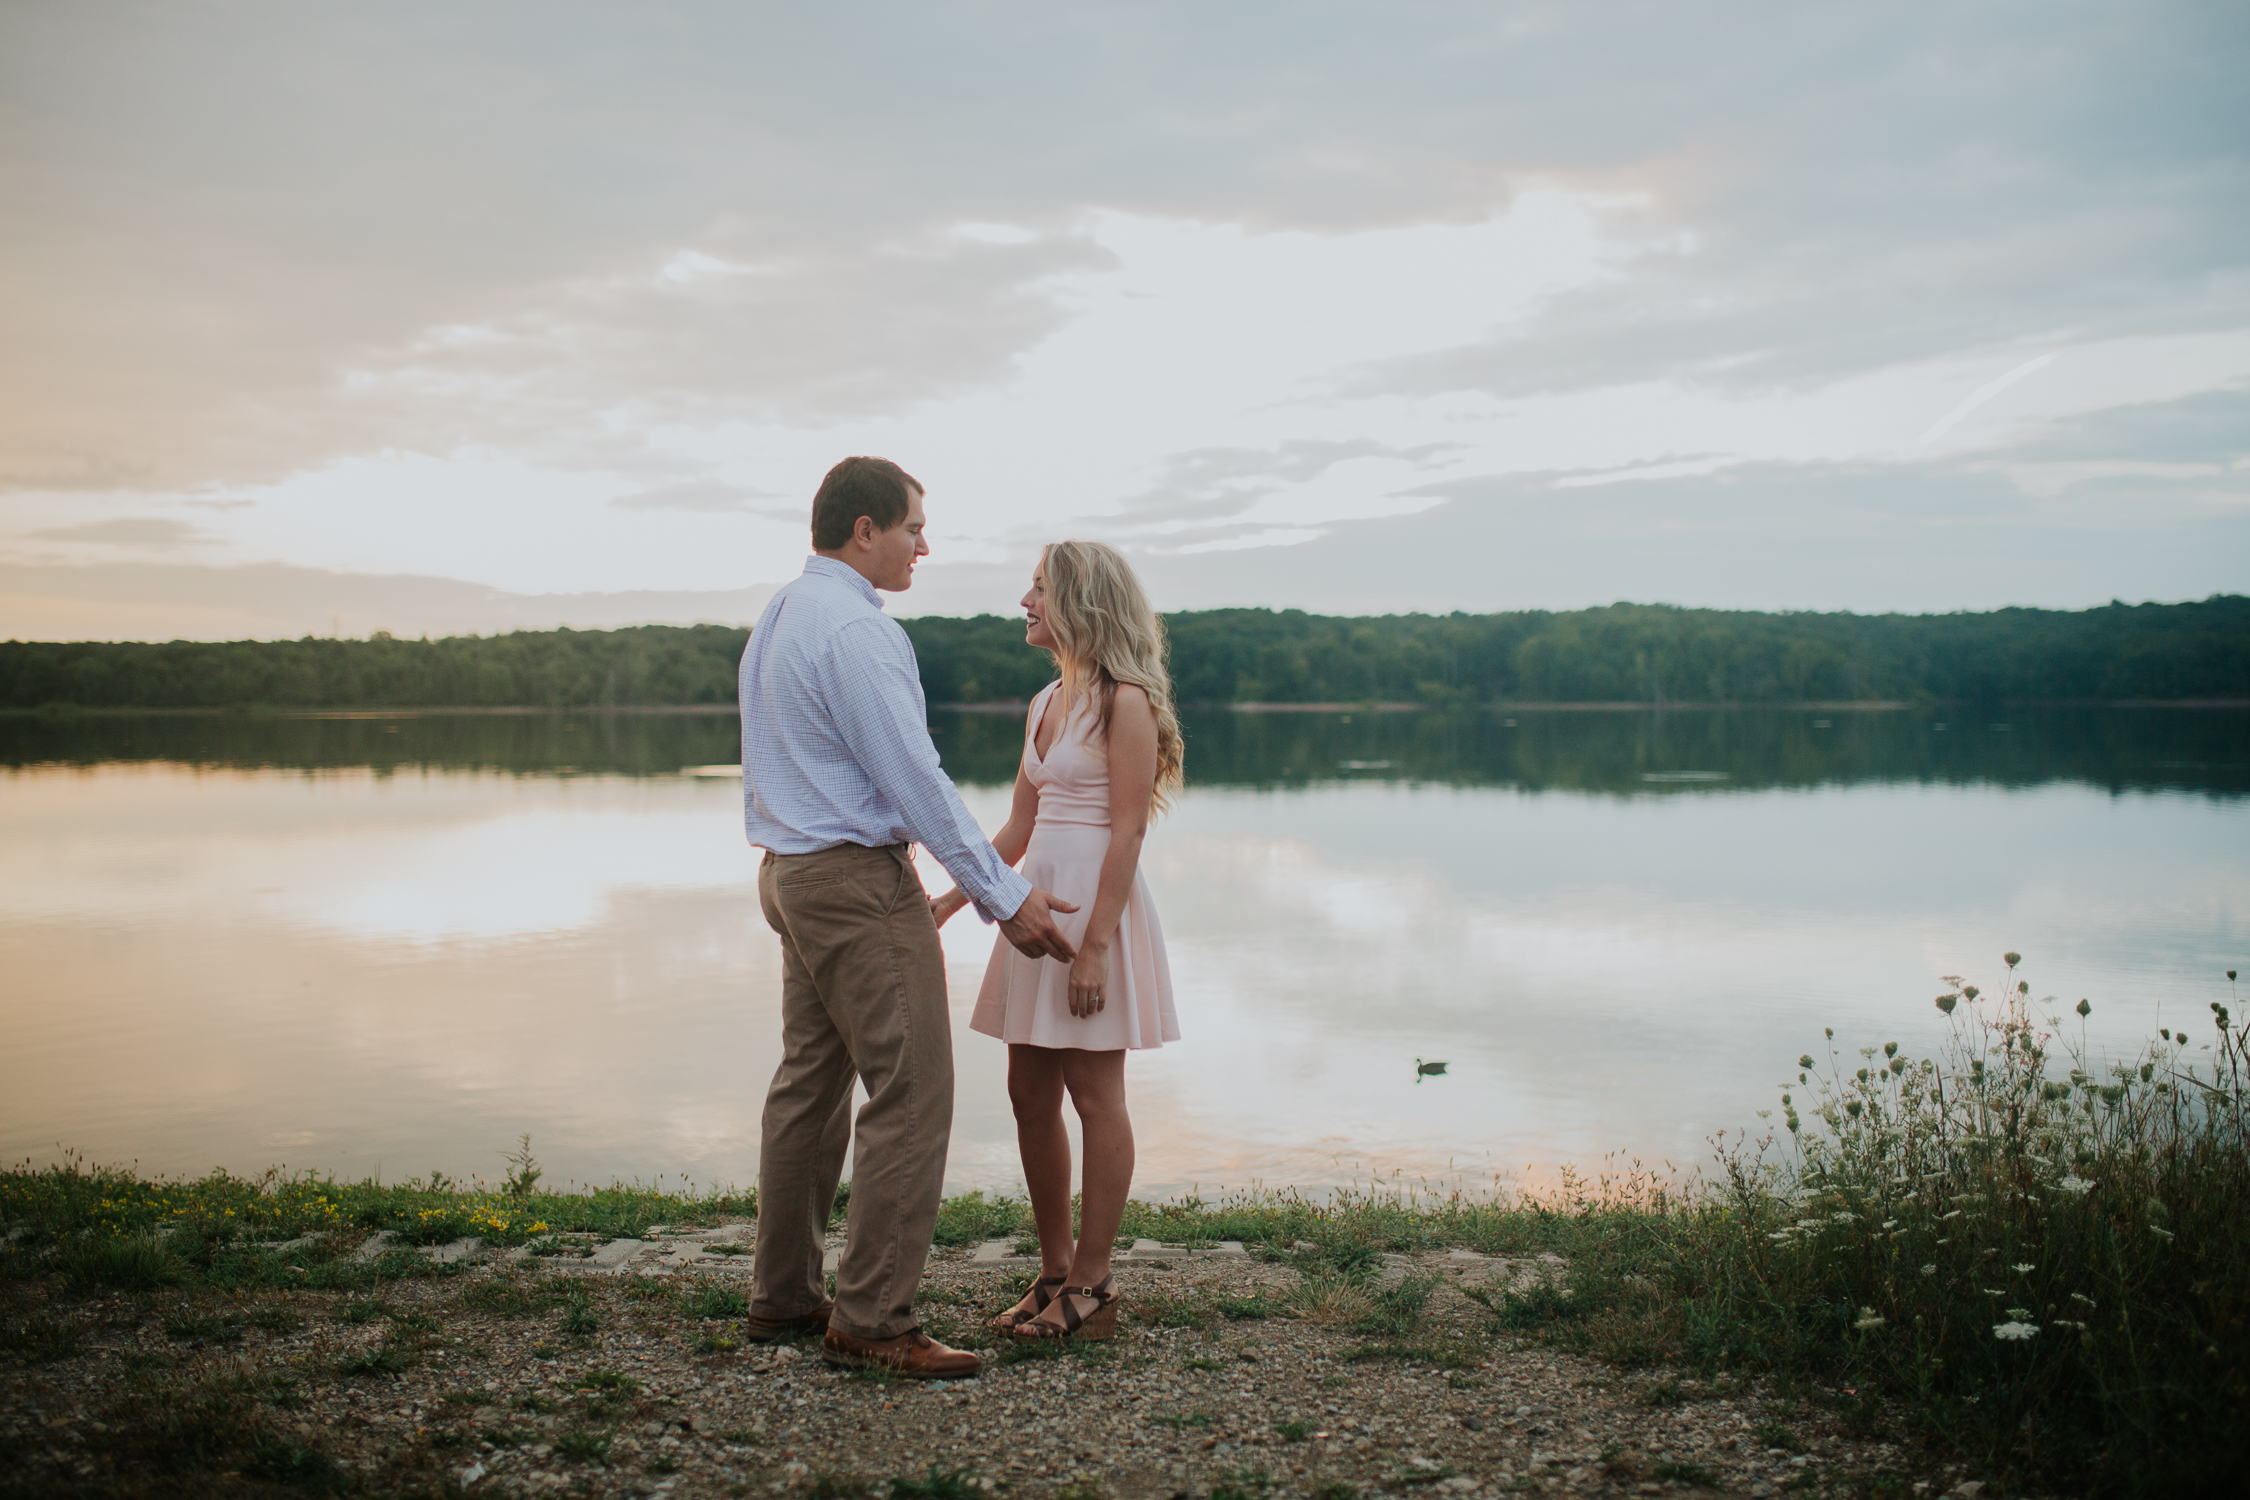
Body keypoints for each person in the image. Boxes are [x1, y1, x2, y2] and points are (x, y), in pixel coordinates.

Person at [738, 456, 1081, 1380]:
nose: (924, 543)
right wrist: (1003, 900)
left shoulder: (781, 614)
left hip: (790, 875)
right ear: (865, 530)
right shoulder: (855, 630)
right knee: (914, 1089)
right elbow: (915, 782)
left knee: (809, 1085)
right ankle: (876, 1317)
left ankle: (783, 1297)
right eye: (913, 527)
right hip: (852, 884)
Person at [932, 540, 1184, 1341]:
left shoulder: (1126, 700)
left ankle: (1095, 1285)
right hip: (1030, 911)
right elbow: (1019, 825)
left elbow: (1129, 830)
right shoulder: (1045, 702)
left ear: (1079, 601)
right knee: (1027, 1096)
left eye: (1038, 589)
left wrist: (1099, 946)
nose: (1024, 602)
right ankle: (1052, 1270)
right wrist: (949, 899)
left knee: (1094, 1095)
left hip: (1091, 921)